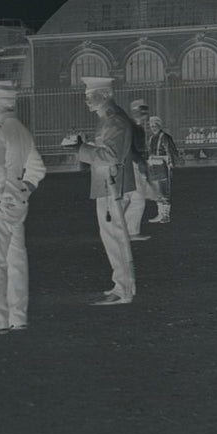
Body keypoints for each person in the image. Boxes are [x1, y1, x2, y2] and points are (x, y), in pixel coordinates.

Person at [0, 80, 46, 332]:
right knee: (16, 260)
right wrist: (26, 187)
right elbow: (37, 168)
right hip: (19, 203)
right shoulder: (22, 130)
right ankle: (18, 315)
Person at [74, 76, 136, 304]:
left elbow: (112, 155)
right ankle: (123, 284)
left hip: (113, 186)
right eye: (86, 96)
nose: (87, 99)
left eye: (91, 95)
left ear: (107, 94)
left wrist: (81, 149)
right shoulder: (108, 119)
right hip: (110, 185)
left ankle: (123, 289)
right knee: (113, 236)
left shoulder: (114, 120)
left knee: (115, 237)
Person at [124, 100, 154, 240]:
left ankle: (127, 231)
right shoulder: (131, 126)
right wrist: (140, 161)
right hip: (132, 164)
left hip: (137, 164)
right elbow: (130, 148)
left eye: (146, 111)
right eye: (142, 111)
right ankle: (129, 232)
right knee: (137, 199)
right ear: (134, 111)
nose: (145, 114)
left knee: (134, 198)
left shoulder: (138, 126)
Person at [145, 116, 181, 223]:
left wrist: (170, 163)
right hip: (152, 166)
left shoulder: (165, 137)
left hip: (162, 166)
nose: (153, 128)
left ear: (159, 125)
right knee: (157, 191)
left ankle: (166, 215)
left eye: (155, 125)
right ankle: (160, 214)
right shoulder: (151, 138)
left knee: (164, 190)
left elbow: (172, 152)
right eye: (151, 126)